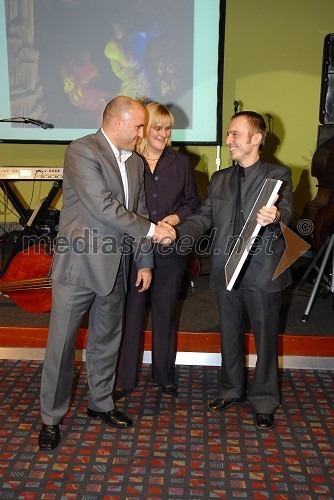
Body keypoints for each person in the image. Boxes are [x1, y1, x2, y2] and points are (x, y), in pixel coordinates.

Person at [38, 96, 175, 451]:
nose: (142, 133)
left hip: (116, 268)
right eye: (139, 126)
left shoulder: (134, 163)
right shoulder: (82, 151)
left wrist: (144, 260)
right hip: (78, 266)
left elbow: (140, 209)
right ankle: (51, 417)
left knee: (106, 341)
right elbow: (102, 207)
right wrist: (152, 231)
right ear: (118, 122)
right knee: (62, 346)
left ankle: (100, 403)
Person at [176, 111, 294, 430]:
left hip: (263, 270)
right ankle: (231, 390)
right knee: (229, 333)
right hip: (227, 269)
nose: (228, 141)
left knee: (266, 338)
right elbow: (203, 217)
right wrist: (176, 234)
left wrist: (276, 215)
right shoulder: (219, 179)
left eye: (235, 135)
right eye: (228, 134)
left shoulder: (277, 174)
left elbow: (288, 211)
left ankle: (265, 400)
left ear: (256, 139)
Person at [114, 102, 200, 399]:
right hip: (134, 251)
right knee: (132, 315)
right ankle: (124, 379)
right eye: (157, 128)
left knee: (165, 315)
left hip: (169, 252)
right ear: (144, 130)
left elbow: (192, 203)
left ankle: (164, 376)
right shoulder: (127, 162)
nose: (164, 134)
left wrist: (173, 221)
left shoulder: (182, 163)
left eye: (167, 128)